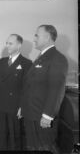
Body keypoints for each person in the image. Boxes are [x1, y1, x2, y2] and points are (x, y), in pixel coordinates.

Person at [19, 25, 68, 153]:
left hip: (42, 117)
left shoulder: (57, 58)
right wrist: (23, 107)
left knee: (45, 148)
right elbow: (30, 86)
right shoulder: (41, 57)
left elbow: (56, 89)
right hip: (32, 114)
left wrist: (48, 115)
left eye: (37, 35)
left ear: (47, 37)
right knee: (33, 147)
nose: (34, 38)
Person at [0, 34, 32, 150]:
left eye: (10, 43)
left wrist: (23, 106)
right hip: (1, 104)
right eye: (7, 43)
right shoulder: (2, 61)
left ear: (19, 45)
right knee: (1, 135)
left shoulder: (27, 63)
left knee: (15, 136)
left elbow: (28, 87)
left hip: (16, 106)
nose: (7, 46)